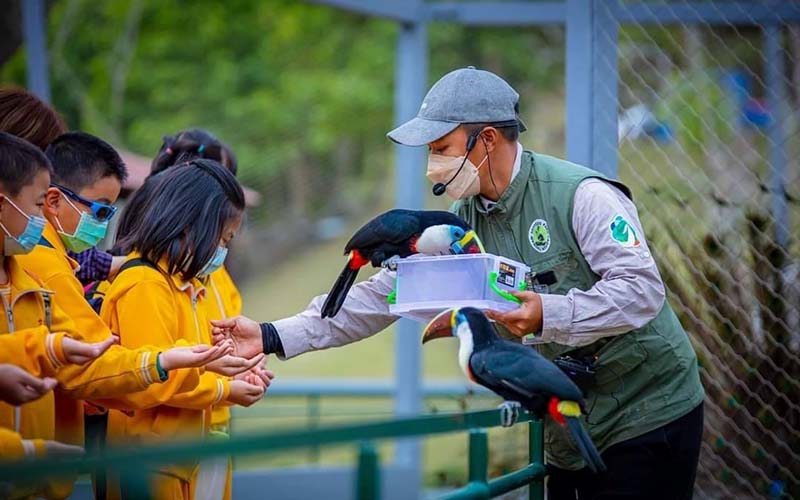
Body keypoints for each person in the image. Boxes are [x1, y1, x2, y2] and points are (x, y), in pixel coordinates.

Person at [213, 67, 705, 500]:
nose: (434, 164)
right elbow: (386, 295)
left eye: (442, 148)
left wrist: (548, 314)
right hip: (566, 420)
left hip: (648, 411)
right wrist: (273, 334)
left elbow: (641, 290)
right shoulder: (461, 223)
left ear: (486, 139)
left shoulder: (582, 196)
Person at [102, 159, 268, 500]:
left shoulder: (189, 285)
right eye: (222, 239)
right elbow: (151, 377)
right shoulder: (144, 284)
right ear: (190, 225)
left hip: (188, 458)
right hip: (148, 465)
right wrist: (224, 390)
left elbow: (196, 363)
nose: (223, 251)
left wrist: (237, 373)